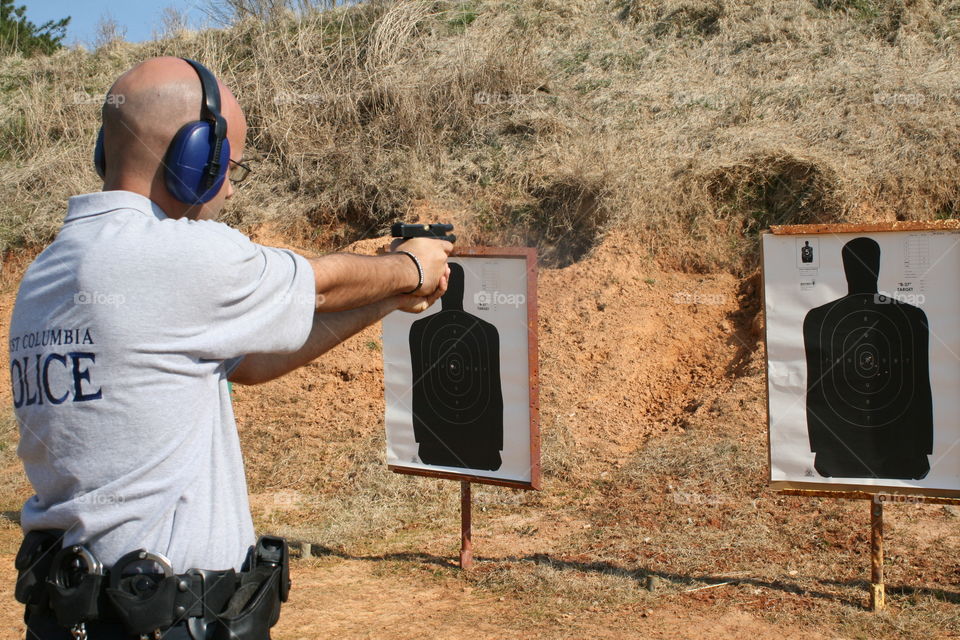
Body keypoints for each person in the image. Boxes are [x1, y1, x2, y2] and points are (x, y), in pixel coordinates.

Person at [9, 56, 451, 639]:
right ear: (196, 156)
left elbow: (250, 365)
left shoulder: (49, 271)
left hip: (75, 615)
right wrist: (410, 268)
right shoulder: (176, 254)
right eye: (229, 165)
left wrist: (387, 303)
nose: (232, 186)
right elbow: (321, 283)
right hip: (166, 618)